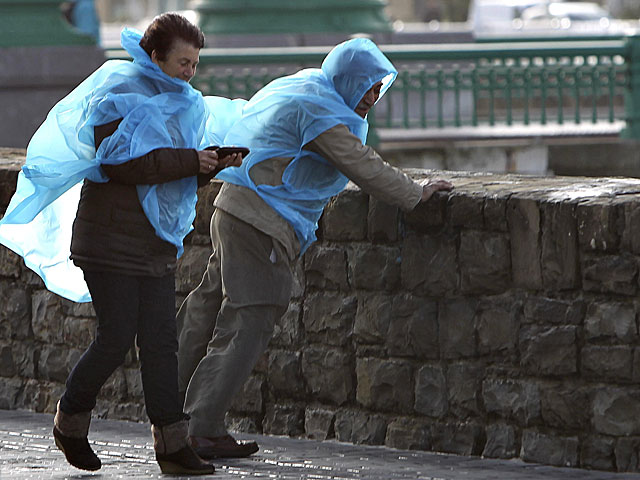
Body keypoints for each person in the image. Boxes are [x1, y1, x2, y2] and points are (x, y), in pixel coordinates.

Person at [176, 37, 454, 459]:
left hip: (235, 207)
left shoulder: (310, 86)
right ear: (347, 80)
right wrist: (415, 194)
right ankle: (201, 427)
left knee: (209, 306)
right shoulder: (321, 111)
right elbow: (362, 164)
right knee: (248, 321)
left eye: (378, 88)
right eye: (366, 86)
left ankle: (166, 406)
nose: (372, 97)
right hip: (261, 222)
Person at [0, 12, 241, 475]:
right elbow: (120, 164)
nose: (190, 73)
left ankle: (172, 445)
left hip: (153, 239)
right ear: (155, 56)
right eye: (182, 62)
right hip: (107, 237)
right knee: (116, 337)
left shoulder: (184, 102)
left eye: (195, 63)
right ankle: (69, 422)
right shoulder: (120, 94)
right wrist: (189, 159)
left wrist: (208, 164)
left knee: (160, 342)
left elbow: (166, 170)